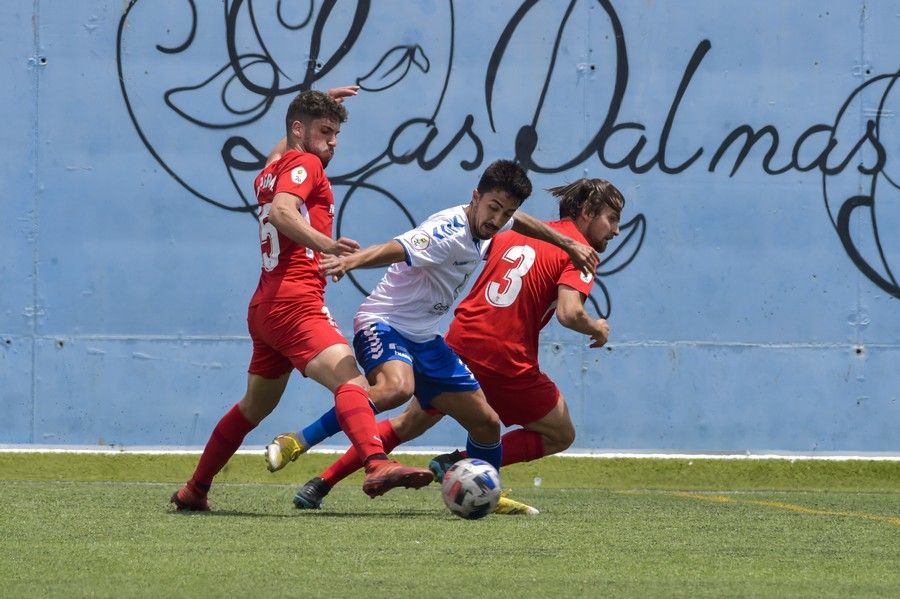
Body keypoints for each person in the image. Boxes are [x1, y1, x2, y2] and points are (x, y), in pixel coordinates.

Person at [276, 178, 624, 513]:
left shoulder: (505, 231)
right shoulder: (580, 254)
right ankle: (464, 469)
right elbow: (568, 312)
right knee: (561, 432)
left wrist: (558, 240)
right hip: (503, 357)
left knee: (416, 422)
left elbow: (518, 223)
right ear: (587, 212)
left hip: (457, 339)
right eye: (612, 218)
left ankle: (320, 483)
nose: (615, 230)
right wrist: (597, 327)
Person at [170, 88, 433, 511]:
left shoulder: (276, 167)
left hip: (266, 305)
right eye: (325, 131)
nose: (333, 141)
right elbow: (282, 212)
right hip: (295, 302)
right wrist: (326, 244)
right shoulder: (306, 163)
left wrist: (314, 103)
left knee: (254, 406)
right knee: (351, 383)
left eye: (336, 133)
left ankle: (195, 489)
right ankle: (376, 463)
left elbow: (278, 163)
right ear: (299, 130)